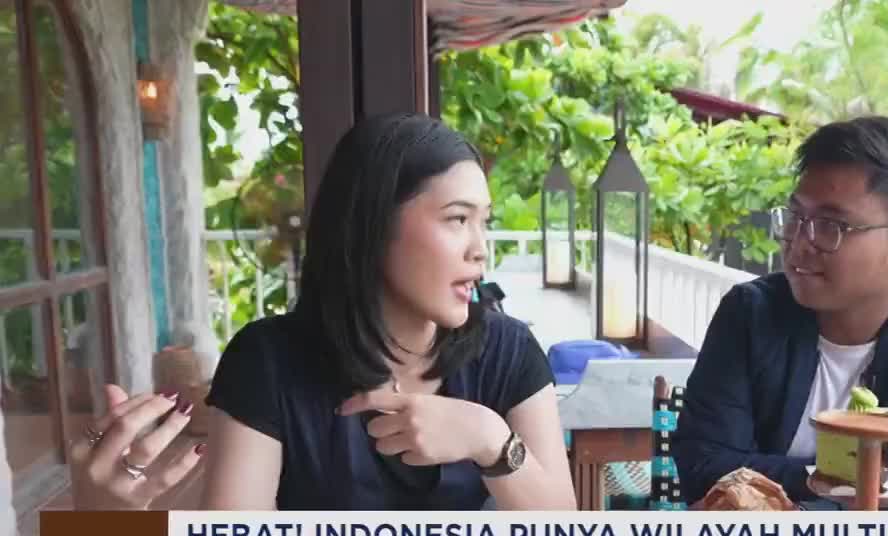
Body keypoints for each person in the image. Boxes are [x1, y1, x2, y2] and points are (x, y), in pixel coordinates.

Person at [71, 113, 577, 512]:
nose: (480, 249)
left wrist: (490, 440)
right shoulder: (268, 360)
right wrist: (106, 522)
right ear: (372, 228)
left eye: (483, 222)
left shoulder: (508, 349)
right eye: (457, 219)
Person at [672, 116, 888, 511]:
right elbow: (703, 466)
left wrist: (797, 496)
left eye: (831, 225)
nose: (800, 243)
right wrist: (874, 486)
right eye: (796, 218)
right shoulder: (751, 314)